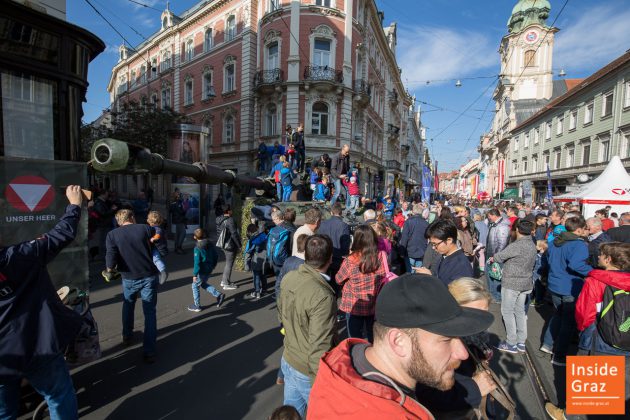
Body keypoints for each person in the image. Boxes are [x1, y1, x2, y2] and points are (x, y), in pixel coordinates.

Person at [307, 273, 494, 419]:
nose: (462, 353)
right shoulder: (388, 414)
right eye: (446, 339)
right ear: (398, 341)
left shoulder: (348, 363)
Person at [0, 186, 84, 420]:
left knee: (4, 410)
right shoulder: (19, 256)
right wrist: (74, 205)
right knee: (58, 395)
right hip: (34, 344)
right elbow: (62, 233)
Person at [547, 242, 630, 419]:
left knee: (589, 381)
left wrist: (582, 331)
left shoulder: (596, 280)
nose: (597, 257)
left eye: (600, 255)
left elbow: (584, 312)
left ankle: (569, 415)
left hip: (598, 337)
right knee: (620, 382)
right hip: (625, 337)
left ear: (608, 260)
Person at [416, 278, 497, 416]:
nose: (480, 322)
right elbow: (426, 394)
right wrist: (475, 388)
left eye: (484, 314)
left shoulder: (477, 336)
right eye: (473, 313)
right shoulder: (437, 340)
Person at [278, 235, 337, 417]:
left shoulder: (289, 277)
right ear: (330, 258)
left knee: (291, 414)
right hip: (307, 370)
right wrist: (319, 383)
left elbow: (281, 313)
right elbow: (319, 345)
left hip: (289, 357)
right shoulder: (323, 296)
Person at [105, 209, 160, 363]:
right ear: (132, 218)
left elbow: (110, 257)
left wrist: (109, 270)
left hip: (128, 277)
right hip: (148, 274)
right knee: (149, 312)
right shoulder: (145, 228)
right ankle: (149, 351)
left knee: (128, 304)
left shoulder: (112, 235)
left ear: (119, 221)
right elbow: (158, 242)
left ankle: (127, 336)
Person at [540, 216, 592, 366]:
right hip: (569, 287)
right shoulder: (578, 245)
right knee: (568, 322)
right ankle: (559, 356)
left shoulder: (555, 241)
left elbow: (549, 260)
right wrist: (593, 272)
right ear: (579, 230)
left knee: (557, 315)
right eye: (585, 229)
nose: (587, 231)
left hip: (555, 284)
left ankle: (547, 344)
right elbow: (576, 265)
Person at [491, 219, 537, 353]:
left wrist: (494, 258)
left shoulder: (517, 245)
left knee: (507, 311)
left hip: (512, 282)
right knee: (520, 312)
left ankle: (511, 342)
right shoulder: (531, 244)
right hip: (525, 282)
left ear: (517, 230)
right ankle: (521, 341)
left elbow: (499, 257)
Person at [336, 225, 386, 343]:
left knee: (354, 337)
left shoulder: (351, 260)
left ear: (357, 240)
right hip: (374, 302)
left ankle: (356, 357)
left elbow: (338, 279)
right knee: (373, 334)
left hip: (354, 304)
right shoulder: (380, 255)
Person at [416, 220, 474, 285]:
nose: (433, 247)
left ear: (449, 240)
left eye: (435, 244)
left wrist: (431, 277)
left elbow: (454, 292)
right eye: (432, 244)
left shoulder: (461, 266)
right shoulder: (444, 256)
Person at [187, 228, 226, 312]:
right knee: (203, 283)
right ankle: (218, 294)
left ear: (195, 237)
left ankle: (197, 306)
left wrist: (194, 274)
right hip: (209, 268)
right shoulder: (210, 244)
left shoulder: (197, 248)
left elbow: (197, 263)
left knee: (195, 286)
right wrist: (213, 265)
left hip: (201, 271)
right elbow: (216, 255)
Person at [317, 202, 351, 287]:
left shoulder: (322, 224)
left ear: (331, 212)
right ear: (341, 213)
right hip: (338, 259)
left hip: (324, 258)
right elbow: (345, 245)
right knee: (336, 285)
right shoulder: (344, 225)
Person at [485, 208, 511, 303]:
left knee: (496, 276)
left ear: (493, 215)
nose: (488, 218)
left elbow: (502, 244)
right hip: (491, 255)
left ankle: (497, 296)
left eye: (489, 216)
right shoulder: (495, 225)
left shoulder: (502, 226)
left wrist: (495, 257)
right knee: (490, 275)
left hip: (496, 257)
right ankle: (493, 295)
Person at [216, 204, 241, 290]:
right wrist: (239, 245)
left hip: (222, 244)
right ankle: (226, 283)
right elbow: (234, 234)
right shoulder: (230, 220)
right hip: (230, 245)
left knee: (227, 263)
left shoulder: (218, 219)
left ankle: (224, 281)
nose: (232, 211)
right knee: (229, 264)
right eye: (231, 210)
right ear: (228, 211)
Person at [399, 203, 429, 273]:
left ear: (413, 211)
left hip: (410, 250)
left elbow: (404, 238)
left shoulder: (408, 222)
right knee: (417, 272)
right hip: (421, 251)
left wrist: (402, 252)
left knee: (410, 272)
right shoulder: (425, 223)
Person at [244, 223, 268, 300]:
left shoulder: (252, 240)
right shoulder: (264, 236)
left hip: (256, 260)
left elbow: (248, 252)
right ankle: (264, 290)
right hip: (265, 259)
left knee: (256, 277)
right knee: (263, 275)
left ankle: (257, 292)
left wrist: (247, 265)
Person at [147, 211, 169, 285]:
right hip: (157, 247)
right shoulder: (156, 227)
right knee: (153, 262)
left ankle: (163, 272)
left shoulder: (157, 228)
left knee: (156, 259)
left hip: (157, 248)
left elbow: (158, 235)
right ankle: (158, 274)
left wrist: (153, 239)